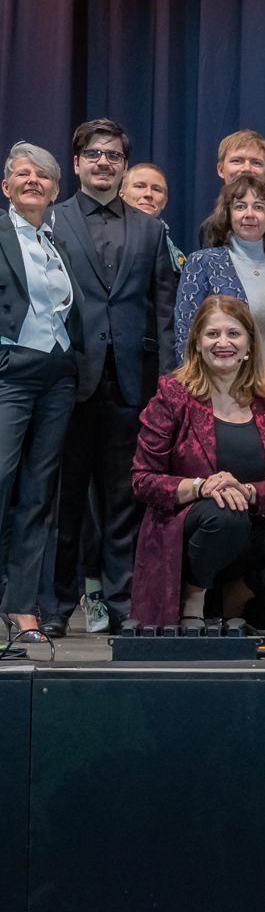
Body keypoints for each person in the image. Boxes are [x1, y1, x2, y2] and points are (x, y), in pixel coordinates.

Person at [47, 117, 179, 638]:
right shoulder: (53, 223)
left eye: (113, 156)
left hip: (133, 383)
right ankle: (57, 605)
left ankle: (125, 601)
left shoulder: (152, 229)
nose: (104, 162)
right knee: (65, 500)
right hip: (66, 382)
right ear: (77, 163)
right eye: (94, 155)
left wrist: (167, 384)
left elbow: (164, 313)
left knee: (127, 498)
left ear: (124, 166)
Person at [131, 296, 265, 630]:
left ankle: (237, 594)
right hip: (192, 528)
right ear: (197, 344)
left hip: (254, 526)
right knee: (225, 515)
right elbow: (143, 479)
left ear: (249, 346)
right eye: (212, 334)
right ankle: (192, 600)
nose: (223, 342)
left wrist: (249, 491)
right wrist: (201, 487)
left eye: (233, 334)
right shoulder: (172, 395)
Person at [0, 144, 82, 647]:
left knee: (37, 494)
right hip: (10, 368)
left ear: (55, 190)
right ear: (6, 186)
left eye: (44, 177)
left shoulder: (58, 241)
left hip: (59, 373)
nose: (34, 181)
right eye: (22, 174)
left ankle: (21, 607)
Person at [174, 174, 265, 432]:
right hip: (219, 396)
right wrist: (192, 394)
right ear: (227, 214)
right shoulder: (203, 263)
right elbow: (186, 334)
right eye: (240, 206)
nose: (250, 214)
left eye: (259, 207)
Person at [196, 130, 265, 263]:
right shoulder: (209, 227)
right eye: (237, 161)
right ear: (220, 169)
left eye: (256, 163)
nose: (246, 169)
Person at [120, 163, 186, 269]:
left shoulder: (178, 258)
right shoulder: (105, 240)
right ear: (122, 195)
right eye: (140, 186)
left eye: (156, 189)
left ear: (165, 202)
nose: (149, 194)